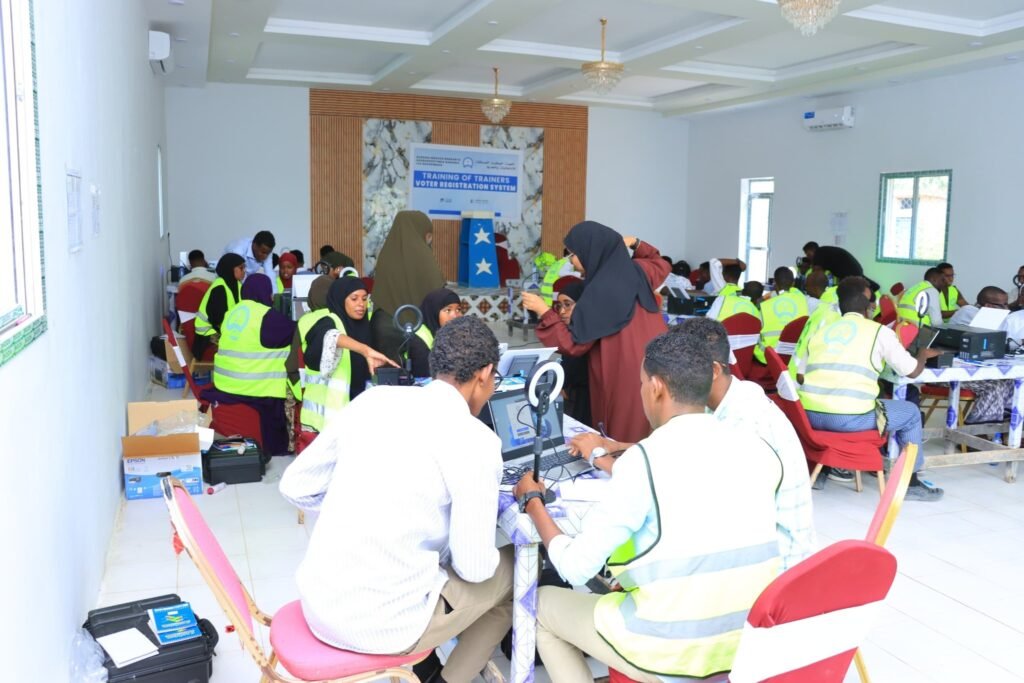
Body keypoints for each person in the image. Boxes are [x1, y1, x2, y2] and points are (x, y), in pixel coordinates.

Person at [513, 329, 782, 682]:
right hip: (748, 641)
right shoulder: (758, 447)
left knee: (540, 605)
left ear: (656, 387)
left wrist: (533, 501)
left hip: (673, 649)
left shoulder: (644, 460)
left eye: (641, 383)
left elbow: (575, 568)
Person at [279, 316, 512, 683]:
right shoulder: (477, 441)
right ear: (484, 374)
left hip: (319, 606)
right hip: (387, 628)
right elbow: (475, 569)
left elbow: (295, 485)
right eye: (495, 378)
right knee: (521, 572)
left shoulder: (373, 400)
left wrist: (368, 505)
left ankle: (430, 665)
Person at [569, 317, 814, 571]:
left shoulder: (744, 422)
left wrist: (600, 459)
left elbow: (675, 481)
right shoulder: (724, 398)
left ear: (713, 370)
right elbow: (681, 453)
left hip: (775, 565)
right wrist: (617, 445)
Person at [795, 276, 944, 501]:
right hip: (848, 420)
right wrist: (922, 354)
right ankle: (910, 484)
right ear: (868, 306)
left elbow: (801, 373)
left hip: (809, 417)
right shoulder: (878, 332)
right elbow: (912, 371)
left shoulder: (822, 331)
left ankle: (826, 469)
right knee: (911, 413)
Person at [522, 222, 670, 443]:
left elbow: (573, 344)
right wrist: (636, 242)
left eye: (574, 254)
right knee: (654, 431)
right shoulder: (638, 270)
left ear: (591, 252)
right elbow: (661, 264)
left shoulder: (598, 292)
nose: (571, 262)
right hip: (661, 364)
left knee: (622, 433)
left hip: (625, 372)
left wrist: (544, 312)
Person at [209, 274, 296, 456]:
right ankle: (283, 445)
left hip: (224, 384)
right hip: (254, 388)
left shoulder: (232, 312)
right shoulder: (266, 316)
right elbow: (295, 332)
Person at [299, 276, 397, 432]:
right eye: (354, 299)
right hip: (324, 423)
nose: (361, 304)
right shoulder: (327, 321)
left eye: (364, 299)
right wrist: (364, 350)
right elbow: (330, 337)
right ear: (340, 299)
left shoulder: (366, 326)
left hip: (356, 416)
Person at [370, 211, 446, 362]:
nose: (429, 240)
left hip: (383, 326)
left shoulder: (385, 256)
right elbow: (439, 294)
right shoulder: (425, 258)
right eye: (428, 235)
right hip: (419, 328)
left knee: (388, 372)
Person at [949, 287, 1016, 424]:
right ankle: (977, 427)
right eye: (1003, 305)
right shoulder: (968, 312)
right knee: (994, 386)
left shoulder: (993, 317)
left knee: (1012, 381)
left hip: (973, 370)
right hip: (950, 372)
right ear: (989, 306)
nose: (1007, 309)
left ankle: (1005, 422)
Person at [192, 252, 245, 360]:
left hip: (226, 330)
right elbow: (217, 321)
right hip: (209, 334)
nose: (244, 271)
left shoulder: (238, 285)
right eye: (241, 268)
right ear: (231, 269)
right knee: (239, 348)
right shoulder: (219, 288)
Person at [553, 278, 591, 425]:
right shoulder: (571, 332)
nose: (562, 311)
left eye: (567, 305)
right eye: (559, 306)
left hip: (587, 401)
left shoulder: (588, 334)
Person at [754, 267, 808, 364]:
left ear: (775, 283)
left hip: (768, 357)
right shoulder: (803, 301)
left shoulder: (765, 305)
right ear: (793, 283)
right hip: (794, 356)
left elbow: (755, 333)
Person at [406, 287, 463, 378]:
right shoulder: (417, 341)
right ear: (434, 312)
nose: (455, 316)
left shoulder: (453, 334)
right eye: (448, 310)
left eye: (458, 310)